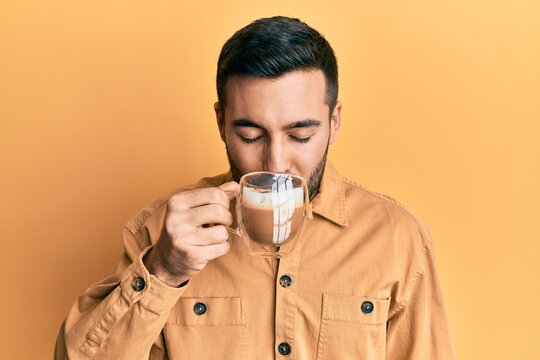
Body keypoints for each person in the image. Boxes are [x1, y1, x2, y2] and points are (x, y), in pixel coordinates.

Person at [55, 16, 455, 359]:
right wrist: (164, 270)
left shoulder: (397, 238)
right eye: (250, 135)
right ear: (221, 123)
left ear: (333, 122)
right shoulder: (162, 232)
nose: (276, 162)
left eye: (300, 135)